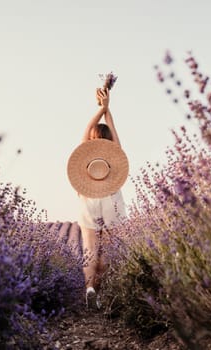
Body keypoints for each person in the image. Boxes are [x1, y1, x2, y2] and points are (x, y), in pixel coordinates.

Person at [78, 88, 126, 309]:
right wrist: (108, 109)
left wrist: (100, 108)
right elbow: (114, 131)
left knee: (90, 249)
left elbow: (88, 128)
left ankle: (89, 289)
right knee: (109, 249)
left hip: (89, 199)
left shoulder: (85, 151)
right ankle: (105, 295)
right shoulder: (114, 153)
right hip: (111, 199)